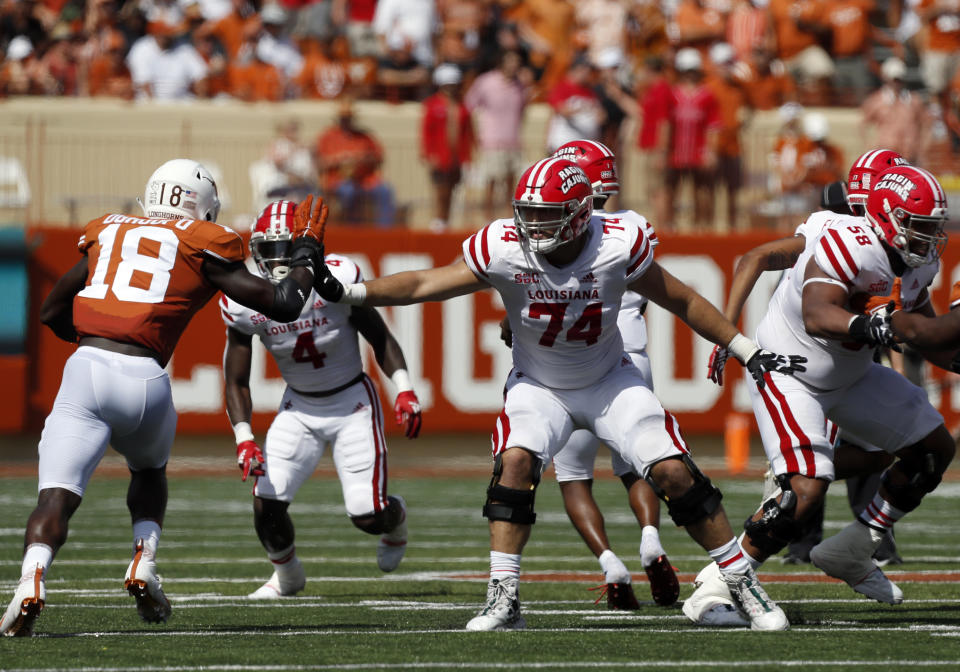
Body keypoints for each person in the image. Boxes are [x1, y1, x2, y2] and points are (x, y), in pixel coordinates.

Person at [310, 156, 807, 631]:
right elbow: (425, 282)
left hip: (612, 379)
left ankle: (741, 583)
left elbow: (683, 299)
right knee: (515, 465)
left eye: (545, 216)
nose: (533, 227)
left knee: (676, 473)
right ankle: (503, 597)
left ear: (578, 214)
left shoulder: (617, 242)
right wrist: (349, 292)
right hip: (539, 384)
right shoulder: (503, 245)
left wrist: (741, 346)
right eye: (527, 214)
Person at [0, 159, 328, 637]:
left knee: (56, 496)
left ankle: (31, 579)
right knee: (149, 472)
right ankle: (144, 559)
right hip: (147, 379)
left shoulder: (108, 230)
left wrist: (100, 339)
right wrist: (306, 255)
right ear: (204, 208)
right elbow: (284, 303)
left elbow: (52, 310)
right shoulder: (203, 241)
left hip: (88, 365)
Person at [686, 161, 954, 625]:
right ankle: (718, 584)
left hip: (850, 374)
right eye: (919, 226)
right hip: (789, 369)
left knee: (933, 449)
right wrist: (869, 324)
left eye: (933, 227)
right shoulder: (847, 240)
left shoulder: (919, 261)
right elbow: (816, 313)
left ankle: (856, 547)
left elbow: (923, 331)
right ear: (889, 217)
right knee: (805, 490)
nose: (929, 238)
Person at [221, 199, 422, 598]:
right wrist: (244, 438)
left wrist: (404, 388)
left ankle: (395, 517)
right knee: (266, 500)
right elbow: (236, 378)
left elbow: (378, 335)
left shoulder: (336, 276)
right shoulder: (244, 301)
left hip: (353, 403)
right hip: (299, 406)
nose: (277, 259)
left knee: (367, 516)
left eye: (285, 248)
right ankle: (288, 575)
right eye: (269, 249)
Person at [546, 139, 679, 608]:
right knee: (637, 465)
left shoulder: (559, 235)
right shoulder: (635, 227)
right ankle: (649, 539)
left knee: (573, 475)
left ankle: (610, 563)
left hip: (567, 364)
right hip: (630, 361)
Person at [314, 98, 397, 228]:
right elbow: (319, 162)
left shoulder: (364, 137)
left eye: (349, 118)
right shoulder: (328, 136)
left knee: (385, 190)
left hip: (364, 180)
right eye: (343, 118)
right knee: (349, 191)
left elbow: (379, 157)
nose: (346, 121)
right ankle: (352, 229)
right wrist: (339, 159)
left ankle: (384, 232)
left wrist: (364, 158)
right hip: (338, 180)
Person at [421, 64, 474, 232]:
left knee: (452, 187)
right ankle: (438, 219)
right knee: (440, 188)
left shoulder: (462, 106)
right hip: (440, 154)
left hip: (456, 155)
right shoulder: (432, 104)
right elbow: (426, 131)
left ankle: (446, 219)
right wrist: (429, 154)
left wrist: (468, 155)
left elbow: (468, 132)